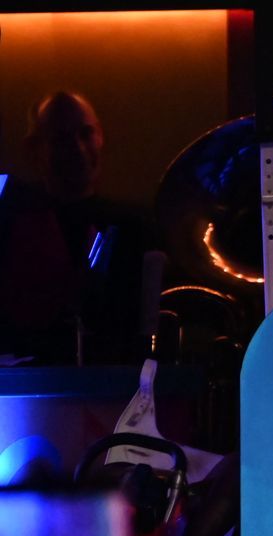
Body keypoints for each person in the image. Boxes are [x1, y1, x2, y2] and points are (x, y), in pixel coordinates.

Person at [0, 91, 156, 363]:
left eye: (85, 134)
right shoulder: (10, 225)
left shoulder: (136, 226)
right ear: (34, 147)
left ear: (100, 136)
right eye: (61, 138)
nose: (77, 148)